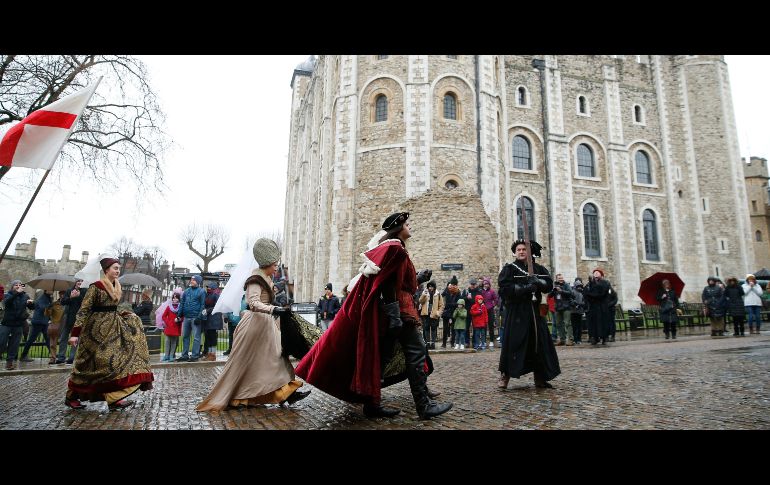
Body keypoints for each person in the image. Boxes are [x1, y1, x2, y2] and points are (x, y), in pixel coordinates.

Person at [295, 212, 453, 419]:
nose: (410, 227)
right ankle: (424, 406)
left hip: (394, 311)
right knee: (417, 354)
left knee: (381, 358)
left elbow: (395, 281)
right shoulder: (395, 249)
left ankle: (372, 404)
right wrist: (395, 315)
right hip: (401, 311)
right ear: (399, 227)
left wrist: (417, 278)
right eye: (407, 224)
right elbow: (387, 284)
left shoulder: (392, 249)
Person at [196, 238, 310, 412]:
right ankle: (238, 397)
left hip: (266, 326)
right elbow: (254, 303)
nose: (275, 268)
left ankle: (287, 393)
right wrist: (274, 309)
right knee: (248, 364)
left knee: (276, 359)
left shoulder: (265, 277)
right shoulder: (255, 279)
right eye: (274, 265)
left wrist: (275, 300)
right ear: (266, 264)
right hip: (255, 325)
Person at [64, 257, 154, 410]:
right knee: (88, 365)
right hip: (94, 331)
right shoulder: (96, 287)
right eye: (115, 268)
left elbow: (112, 308)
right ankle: (71, 396)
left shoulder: (117, 286)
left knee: (113, 363)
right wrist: (75, 333)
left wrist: (125, 314)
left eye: (118, 268)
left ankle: (113, 398)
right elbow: (83, 310)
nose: (117, 271)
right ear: (106, 270)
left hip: (113, 328)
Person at [497, 240, 560, 389]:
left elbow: (549, 286)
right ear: (515, 252)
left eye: (524, 249)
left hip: (535, 312)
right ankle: (505, 376)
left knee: (539, 344)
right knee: (514, 343)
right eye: (518, 249)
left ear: (529, 252)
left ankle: (540, 377)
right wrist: (525, 288)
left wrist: (538, 281)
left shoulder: (538, 268)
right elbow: (504, 288)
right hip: (517, 311)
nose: (521, 251)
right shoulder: (509, 269)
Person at [0, 280, 33, 370]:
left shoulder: (25, 296)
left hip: (18, 324)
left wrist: (31, 304)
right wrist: (17, 294)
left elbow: (32, 307)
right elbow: (7, 303)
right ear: (12, 287)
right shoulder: (8, 295)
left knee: (14, 345)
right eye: (16, 285)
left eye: (20, 285)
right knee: (1, 343)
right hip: (7, 323)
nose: (18, 286)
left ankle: (9, 363)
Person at [176, 275, 206, 362]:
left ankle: (195, 356)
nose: (191, 281)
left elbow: (202, 305)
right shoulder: (186, 291)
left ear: (198, 282)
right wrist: (179, 314)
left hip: (195, 317)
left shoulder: (201, 292)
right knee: (185, 336)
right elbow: (182, 303)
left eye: (194, 280)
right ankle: (184, 355)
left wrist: (199, 317)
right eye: (191, 280)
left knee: (196, 337)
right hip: (186, 317)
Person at [57, 279, 85, 364]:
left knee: (75, 339)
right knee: (63, 338)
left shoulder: (85, 291)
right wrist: (71, 297)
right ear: (75, 282)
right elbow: (63, 302)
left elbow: (86, 304)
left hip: (78, 319)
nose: (79, 283)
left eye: (81, 282)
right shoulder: (69, 290)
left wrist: (79, 296)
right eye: (78, 281)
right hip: (68, 319)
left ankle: (71, 358)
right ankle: (61, 357)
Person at [20, 290, 52, 362]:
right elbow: (41, 307)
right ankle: (23, 355)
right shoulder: (42, 297)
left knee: (47, 338)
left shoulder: (49, 298)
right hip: (38, 322)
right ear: (46, 290)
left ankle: (52, 355)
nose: (52, 291)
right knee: (31, 339)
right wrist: (50, 306)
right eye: (51, 290)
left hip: (44, 322)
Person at [584, 269, 611, 345]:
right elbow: (585, 292)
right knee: (594, 323)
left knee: (603, 322)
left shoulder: (605, 283)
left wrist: (592, 293)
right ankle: (595, 337)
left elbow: (601, 293)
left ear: (601, 275)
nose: (595, 274)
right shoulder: (590, 283)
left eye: (597, 273)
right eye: (594, 273)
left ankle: (604, 338)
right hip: (593, 307)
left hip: (602, 306)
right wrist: (590, 295)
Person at [201, 281, 223, 361]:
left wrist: (208, 310)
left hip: (214, 318)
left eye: (209, 287)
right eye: (207, 287)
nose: (208, 288)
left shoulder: (216, 294)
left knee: (212, 337)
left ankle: (213, 354)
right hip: (209, 318)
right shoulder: (209, 294)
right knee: (209, 337)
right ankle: (209, 353)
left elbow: (217, 306)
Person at [550, 273, 573, 346]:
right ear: (556, 279)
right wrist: (553, 291)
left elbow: (570, 293)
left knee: (567, 323)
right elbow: (549, 295)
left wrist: (561, 290)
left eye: (561, 278)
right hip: (558, 307)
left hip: (566, 307)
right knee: (558, 324)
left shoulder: (566, 285)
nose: (560, 279)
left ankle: (570, 340)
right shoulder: (554, 285)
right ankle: (562, 339)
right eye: (559, 278)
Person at [419, 280, 443, 350]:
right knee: (426, 328)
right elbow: (420, 301)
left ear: (434, 287)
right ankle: (427, 343)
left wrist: (438, 312)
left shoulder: (438, 294)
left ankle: (433, 343)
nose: (430, 288)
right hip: (426, 314)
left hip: (434, 314)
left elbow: (441, 305)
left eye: (431, 287)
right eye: (429, 286)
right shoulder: (425, 293)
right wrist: (424, 294)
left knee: (433, 329)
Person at [160, 289, 183, 362]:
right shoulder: (168, 307)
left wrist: (179, 319)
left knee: (174, 342)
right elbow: (163, 316)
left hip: (176, 327)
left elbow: (182, 317)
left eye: (176, 298)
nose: (174, 299)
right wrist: (168, 322)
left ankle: (171, 356)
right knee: (167, 341)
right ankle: (166, 356)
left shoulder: (180, 308)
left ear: (179, 299)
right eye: (173, 297)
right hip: (169, 327)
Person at [440, 276, 461, 348]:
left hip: (453, 312)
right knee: (445, 329)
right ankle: (444, 343)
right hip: (446, 312)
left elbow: (458, 302)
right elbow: (441, 295)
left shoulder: (458, 292)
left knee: (453, 329)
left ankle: (452, 343)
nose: (453, 286)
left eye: (455, 285)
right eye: (452, 284)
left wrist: (451, 304)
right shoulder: (447, 290)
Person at [480, 278, 499, 348]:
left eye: (487, 284)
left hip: (490, 310)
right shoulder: (481, 291)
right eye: (485, 284)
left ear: (489, 284)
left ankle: (491, 341)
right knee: (483, 326)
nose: (486, 285)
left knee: (491, 326)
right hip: (483, 310)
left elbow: (496, 299)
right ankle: (483, 341)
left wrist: (493, 305)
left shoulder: (492, 291)